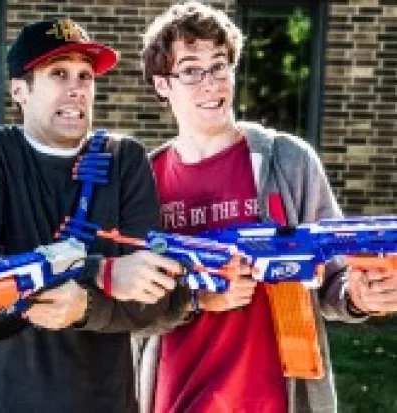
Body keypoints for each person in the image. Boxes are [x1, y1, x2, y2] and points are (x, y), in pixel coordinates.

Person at [133, 2, 397, 413]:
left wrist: (359, 294)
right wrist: (198, 296)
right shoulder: (144, 180)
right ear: (162, 84)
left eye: (220, 65)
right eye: (190, 69)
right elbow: (129, 309)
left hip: (273, 397)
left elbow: (334, 273)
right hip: (177, 395)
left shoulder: (287, 162)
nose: (211, 83)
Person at [0, 17, 185, 413]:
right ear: (20, 90)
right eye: (59, 73)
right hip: (9, 401)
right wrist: (101, 272)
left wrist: (85, 308)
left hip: (105, 401)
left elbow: (152, 298)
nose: (77, 89)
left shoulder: (123, 158)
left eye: (86, 76)